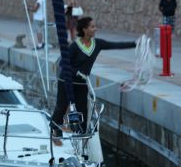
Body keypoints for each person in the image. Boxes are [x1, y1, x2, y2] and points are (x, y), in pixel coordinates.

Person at [51, 16, 136, 145]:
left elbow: (116, 45)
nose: (95, 29)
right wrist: (76, 72)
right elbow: (63, 63)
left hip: (81, 83)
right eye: (92, 27)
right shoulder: (74, 46)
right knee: (61, 107)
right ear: (85, 30)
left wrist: (136, 44)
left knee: (83, 110)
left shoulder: (98, 44)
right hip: (66, 81)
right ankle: (56, 131)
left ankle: (82, 136)